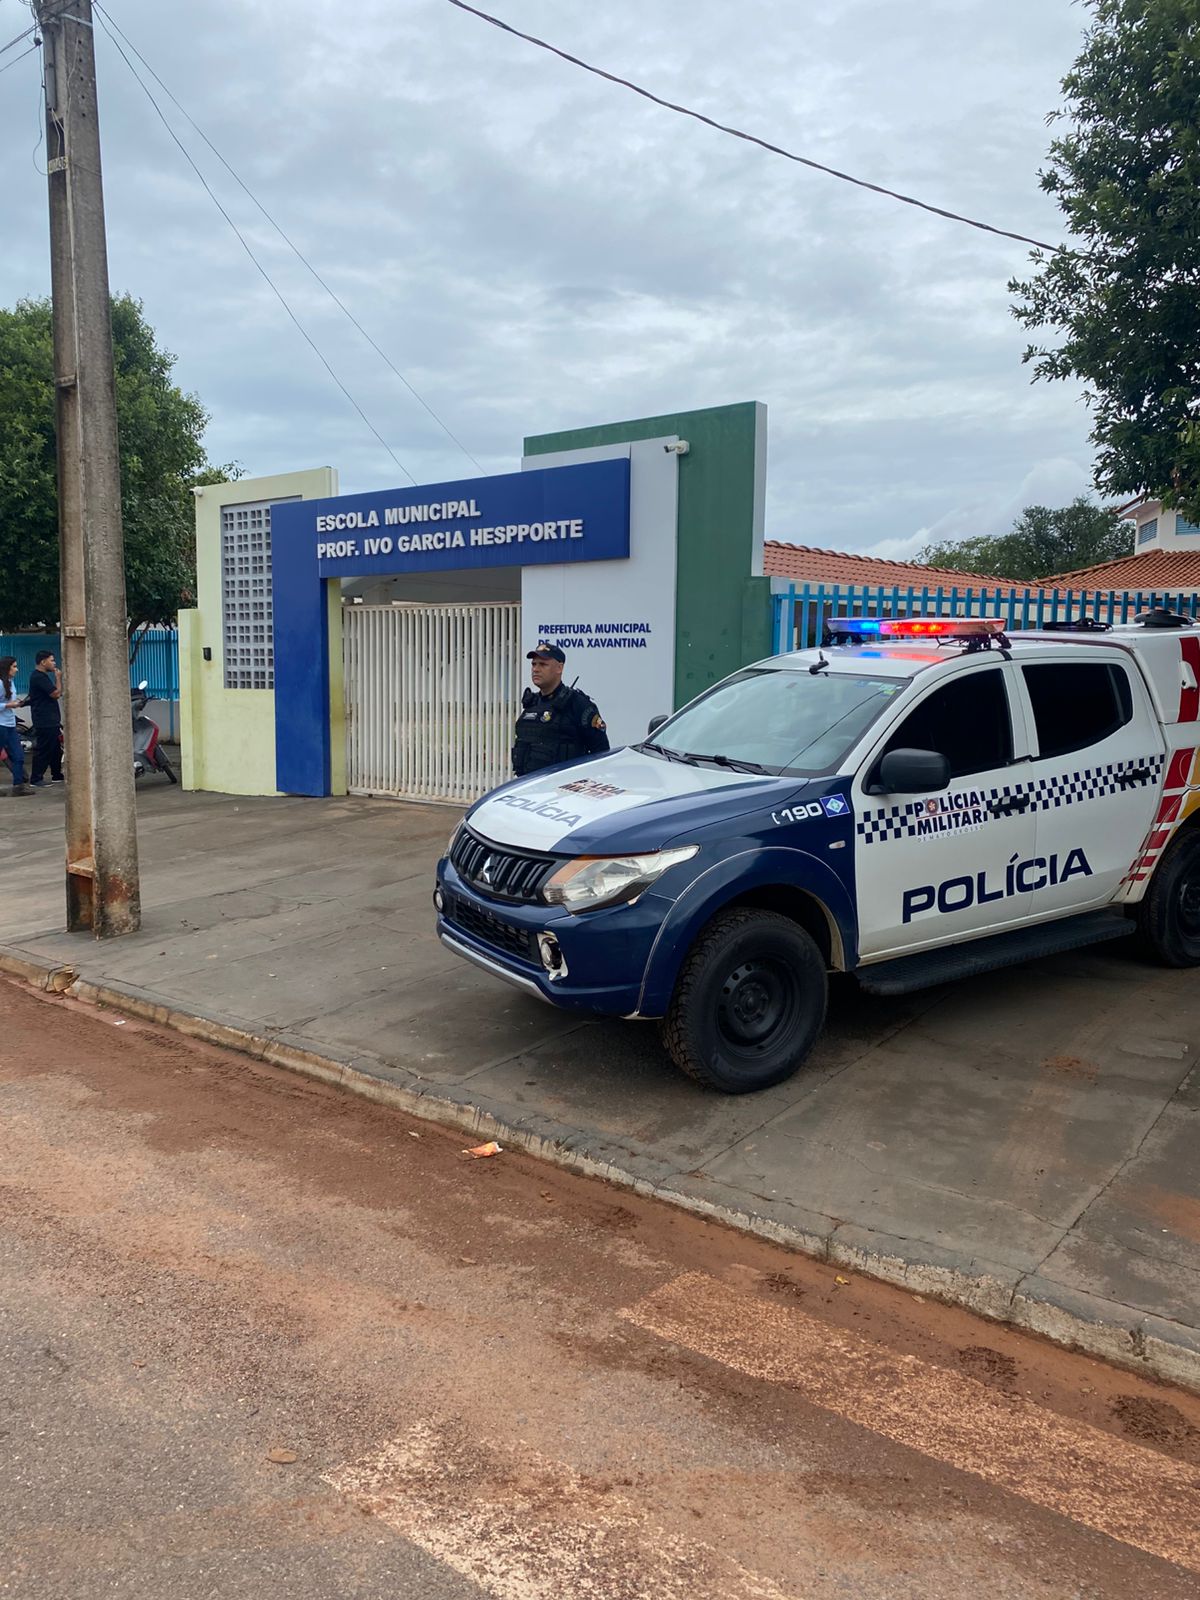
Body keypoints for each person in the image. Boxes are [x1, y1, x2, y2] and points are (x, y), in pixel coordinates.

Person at [512, 641, 610, 777]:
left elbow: (601, 753)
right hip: (530, 784)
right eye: (534, 664)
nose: (536, 669)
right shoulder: (532, 703)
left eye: (543, 664)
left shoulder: (578, 704)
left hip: (565, 786)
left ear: (559, 668)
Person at [27, 649, 64, 787]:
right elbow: (56, 694)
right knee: (44, 749)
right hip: (44, 719)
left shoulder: (42, 676)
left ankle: (57, 774)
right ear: (43, 662)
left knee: (55, 748)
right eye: (52, 660)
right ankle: (36, 779)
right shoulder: (38, 677)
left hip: (51, 719)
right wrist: (58, 678)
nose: (54, 663)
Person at [0, 656, 34, 797]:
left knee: (18, 755)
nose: (17, 669)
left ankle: (18, 786)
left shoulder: (11, 682)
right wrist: (8, 705)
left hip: (10, 724)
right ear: (6, 668)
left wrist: (17, 704)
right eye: (14, 666)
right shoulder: (0, 683)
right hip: (1, 724)